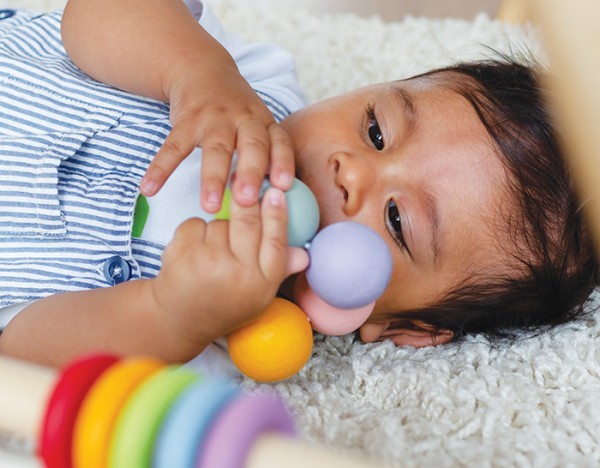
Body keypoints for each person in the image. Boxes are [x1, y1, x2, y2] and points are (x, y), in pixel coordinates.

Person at [0, 0, 596, 370]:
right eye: (375, 129)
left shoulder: (224, 338)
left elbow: (20, 356)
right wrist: (194, 72)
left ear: (404, 328)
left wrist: (169, 317)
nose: (352, 170)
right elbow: (99, 9)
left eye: (396, 220)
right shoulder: (253, 85)